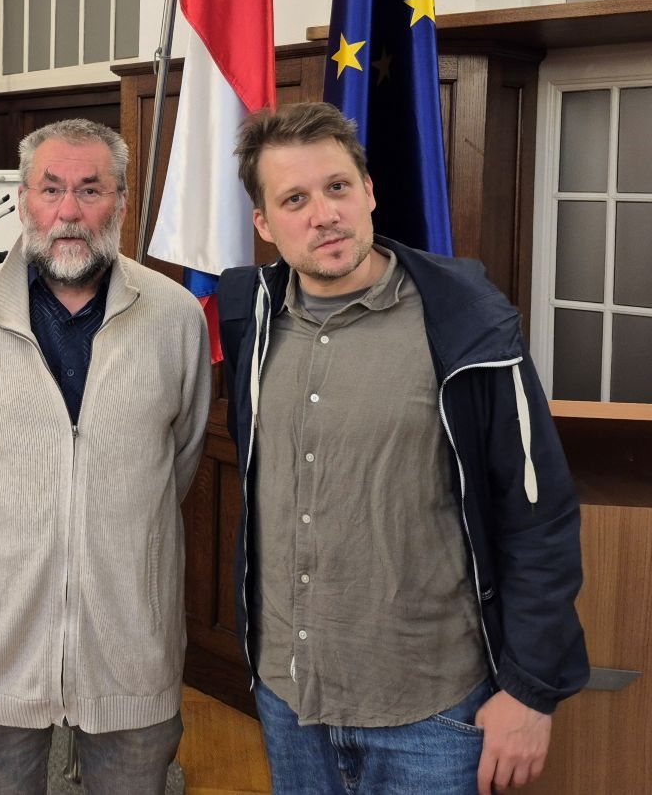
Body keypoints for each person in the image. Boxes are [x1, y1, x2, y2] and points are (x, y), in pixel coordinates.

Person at [219, 101, 587, 795]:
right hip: (289, 702)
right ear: (264, 224)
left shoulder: (468, 324)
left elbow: (539, 517)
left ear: (369, 191)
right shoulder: (253, 318)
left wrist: (532, 690)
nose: (324, 214)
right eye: (295, 199)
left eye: (337, 187)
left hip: (433, 714)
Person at [0, 118, 212, 795]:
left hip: (131, 657)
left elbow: (178, 462)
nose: (70, 211)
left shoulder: (176, 318)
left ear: (122, 202)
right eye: (51, 189)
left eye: (91, 189)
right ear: (24, 199)